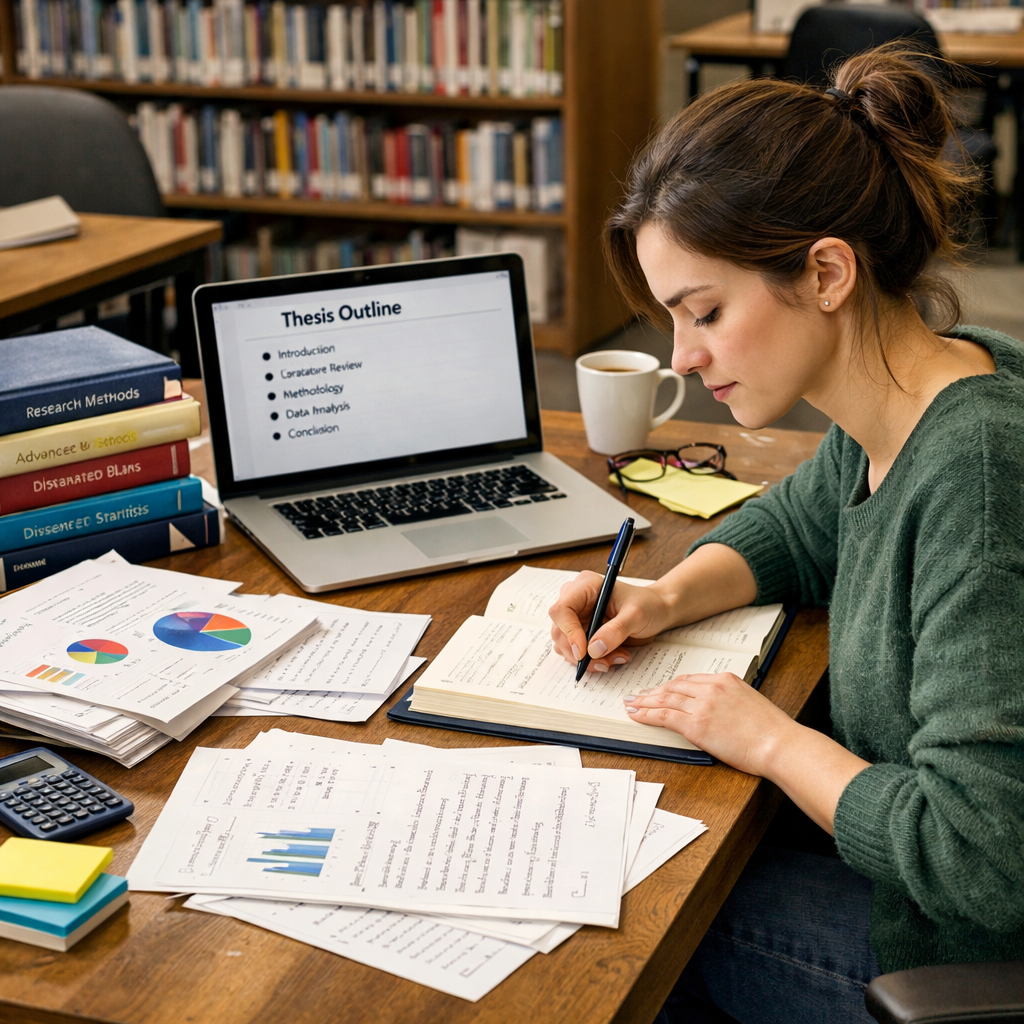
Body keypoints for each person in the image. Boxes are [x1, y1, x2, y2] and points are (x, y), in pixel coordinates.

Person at [547, 44, 1024, 1024]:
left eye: (705, 312)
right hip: (925, 892)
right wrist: (662, 596)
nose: (681, 357)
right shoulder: (911, 390)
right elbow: (800, 524)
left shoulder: (973, 474)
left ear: (825, 271)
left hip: (958, 949)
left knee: (628, 908)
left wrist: (764, 739)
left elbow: (981, 856)